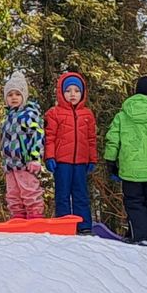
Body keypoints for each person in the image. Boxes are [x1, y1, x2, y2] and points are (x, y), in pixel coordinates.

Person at [103, 76, 147, 247]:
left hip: (130, 170)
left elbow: (113, 140)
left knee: (134, 202)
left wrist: (111, 162)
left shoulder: (122, 116)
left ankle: (139, 236)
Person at [44, 71, 97, 233]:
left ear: (82, 93)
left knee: (81, 194)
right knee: (62, 194)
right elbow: (49, 137)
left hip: (81, 162)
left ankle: (84, 226)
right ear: (61, 92)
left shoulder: (87, 114)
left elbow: (91, 139)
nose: (72, 94)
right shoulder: (54, 113)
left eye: (76, 90)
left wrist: (92, 159)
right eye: (68, 91)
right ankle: (64, 226)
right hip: (62, 162)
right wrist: (50, 156)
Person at [0, 71, 45, 219]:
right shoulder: (8, 117)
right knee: (13, 193)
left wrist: (35, 157)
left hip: (25, 162)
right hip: (10, 164)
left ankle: (35, 216)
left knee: (29, 190)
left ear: (24, 96)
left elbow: (37, 135)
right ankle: (17, 217)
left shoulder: (29, 114)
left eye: (17, 94)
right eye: (10, 94)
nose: (14, 98)